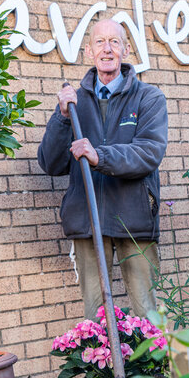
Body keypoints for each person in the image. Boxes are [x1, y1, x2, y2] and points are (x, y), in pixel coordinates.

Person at [38, 18, 168, 320]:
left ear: (125, 49)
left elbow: (149, 153)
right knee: (95, 318)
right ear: (88, 51)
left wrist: (99, 156)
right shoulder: (74, 102)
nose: (107, 49)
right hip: (88, 221)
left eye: (114, 42)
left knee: (147, 314)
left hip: (134, 220)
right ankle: (105, 369)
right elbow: (50, 162)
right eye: (100, 42)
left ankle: (155, 370)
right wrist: (62, 117)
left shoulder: (148, 98)